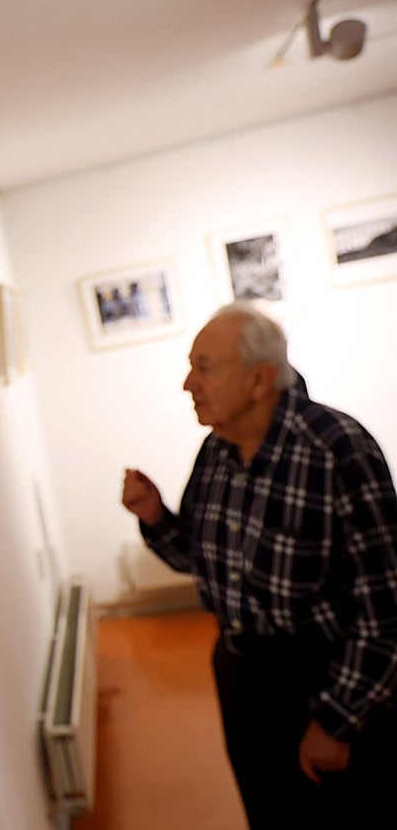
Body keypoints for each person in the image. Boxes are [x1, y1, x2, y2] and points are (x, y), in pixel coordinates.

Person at [121, 302, 397, 828]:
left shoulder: (339, 449)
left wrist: (338, 722)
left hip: (325, 678)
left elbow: (384, 608)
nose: (187, 384)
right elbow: (205, 561)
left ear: (258, 379)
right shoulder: (216, 452)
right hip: (243, 672)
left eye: (205, 367)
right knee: (269, 809)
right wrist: (155, 516)